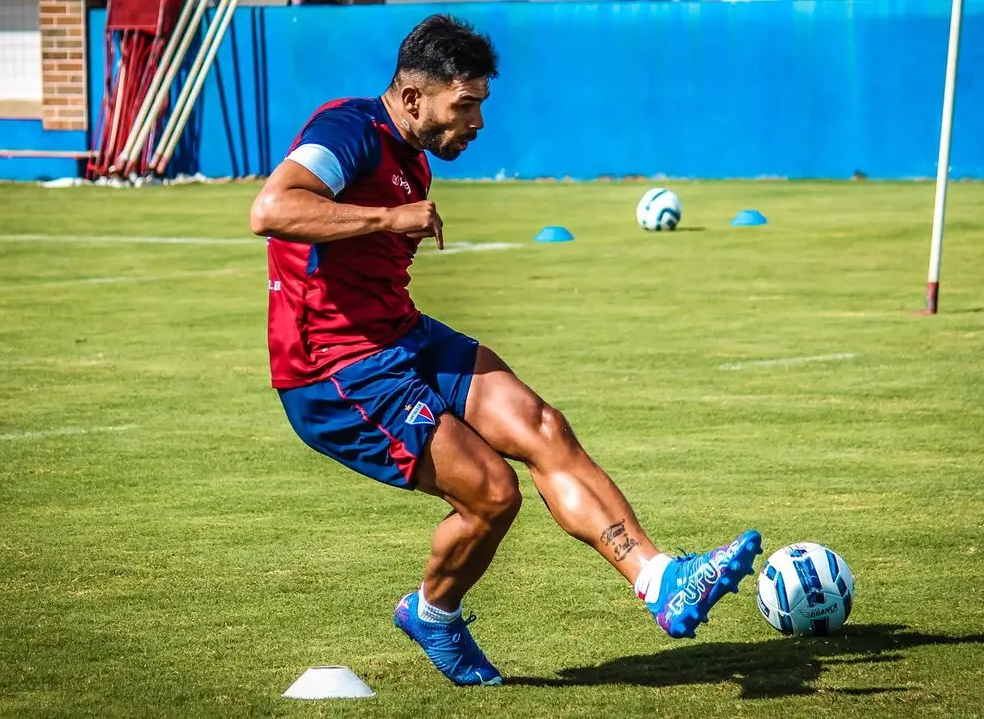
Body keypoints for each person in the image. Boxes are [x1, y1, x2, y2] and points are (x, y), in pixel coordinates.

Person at [248, 14, 762, 687]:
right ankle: (433, 614)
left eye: (481, 106)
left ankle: (659, 579)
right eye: (465, 106)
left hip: (401, 335)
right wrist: (388, 217)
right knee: (494, 492)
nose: (477, 123)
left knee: (541, 424)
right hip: (335, 372)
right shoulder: (348, 132)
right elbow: (272, 208)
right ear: (411, 98)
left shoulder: (410, 155)